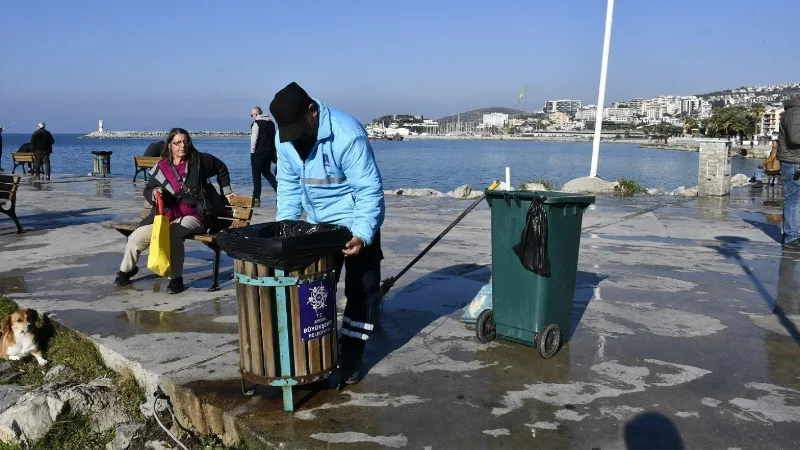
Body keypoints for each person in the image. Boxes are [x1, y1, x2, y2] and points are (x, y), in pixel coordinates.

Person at [270, 82, 385, 385]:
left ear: (312, 111)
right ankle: (318, 353)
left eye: (298, 130)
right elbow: (289, 187)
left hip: (353, 222)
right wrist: (287, 228)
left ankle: (351, 356)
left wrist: (361, 234)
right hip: (317, 227)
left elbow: (369, 190)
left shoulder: (348, 134)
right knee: (316, 293)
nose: (295, 140)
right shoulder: (285, 141)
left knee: (362, 291)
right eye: (289, 134)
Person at [114, 128, 235, 294]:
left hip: (195, 215)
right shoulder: (161, 167)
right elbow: (148, 190)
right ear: (170, 146)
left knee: (173, 233)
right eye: (178, 142)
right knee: (136, 236)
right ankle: (126, 270)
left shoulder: (199, 161)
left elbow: (221, 168)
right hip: (165, 215)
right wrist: (155, 193)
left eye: (185, 142)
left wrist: (227, 192)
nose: (182, 146)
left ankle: (176, 279)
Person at [777, 94, 800, 248]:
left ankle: (792, 233)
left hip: (794, 161)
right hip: (794, 162)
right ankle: (791, 237)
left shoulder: (794, 111)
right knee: (793, 200)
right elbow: (795, 138)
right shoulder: (795, 112)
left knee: (795, 200)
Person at [250, 106, 278, 206]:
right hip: (269, 152)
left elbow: (254, 139)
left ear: (256, 114)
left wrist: (252, 151)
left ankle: (256, 196)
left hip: (258, 152)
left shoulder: (256, 123)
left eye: (252, 115)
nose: (252, 116)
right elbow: (274, 138)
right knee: (266, 172)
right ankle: (279, 189)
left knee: (256, 173)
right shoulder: (271, 123)